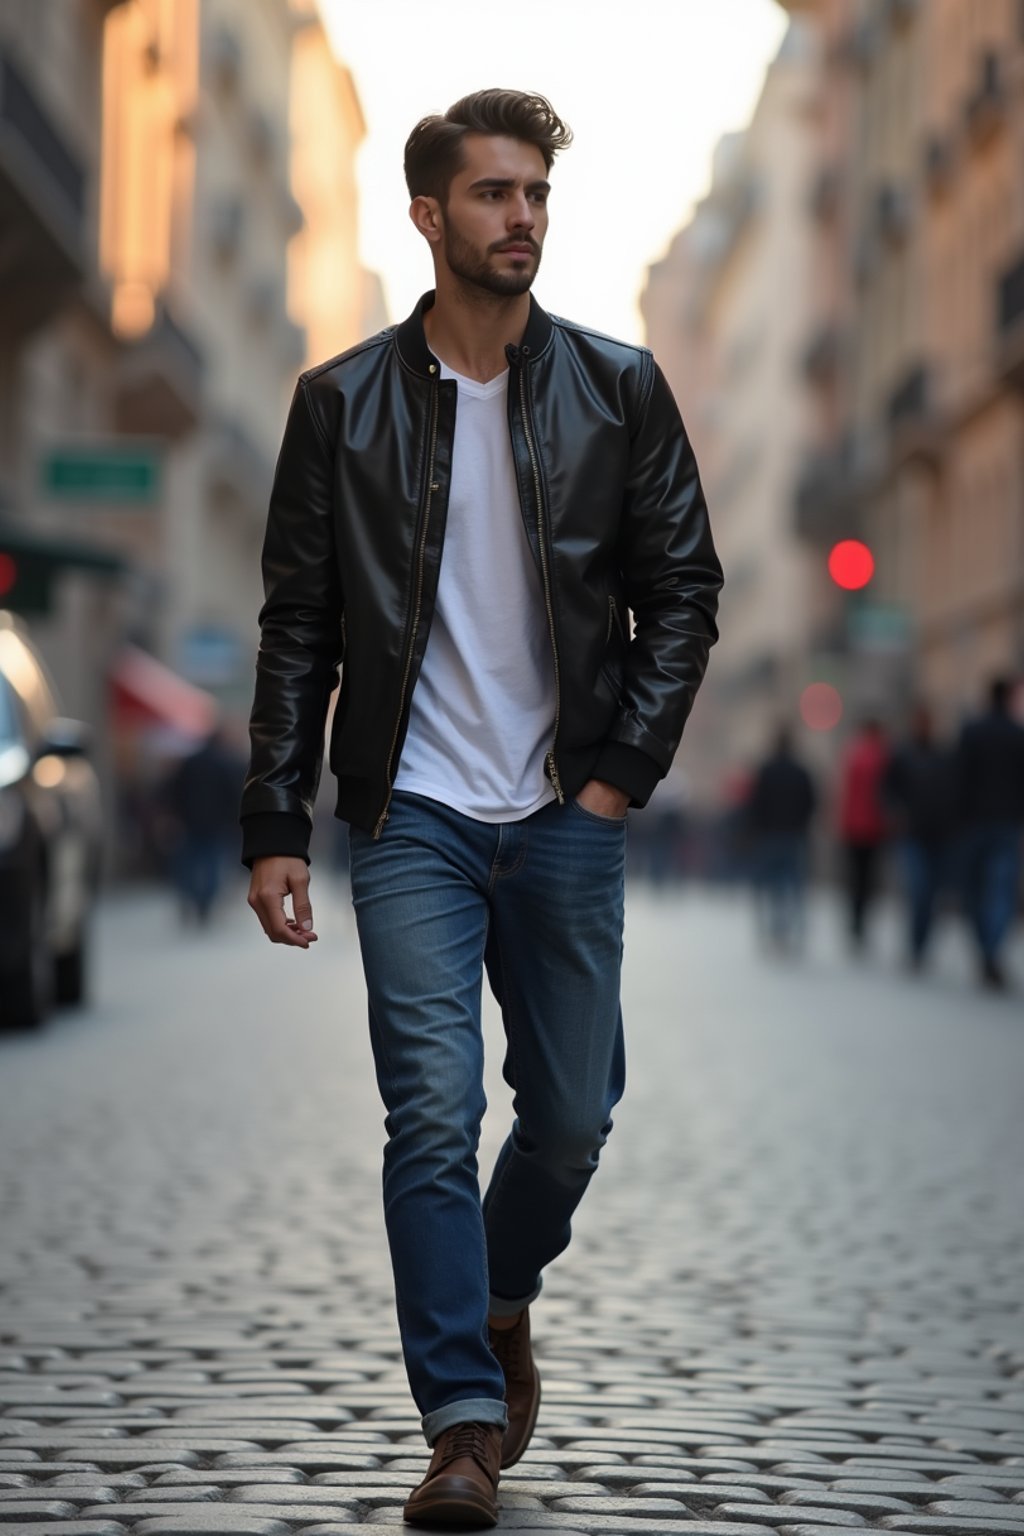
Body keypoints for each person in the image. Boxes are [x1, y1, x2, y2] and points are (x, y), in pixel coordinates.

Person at [240, 89, 722, 1529]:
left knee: (571, 1117)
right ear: (430, 216)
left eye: (534, 193)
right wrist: (278, 818)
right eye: (494, 193)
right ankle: (459, 1424)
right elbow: (299, 626)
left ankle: (502, 1294)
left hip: (566, 813)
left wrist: (615, 775)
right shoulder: (341, 405)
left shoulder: (618, 387)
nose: (521, 216)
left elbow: (684, 593)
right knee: (431, 1115)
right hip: (415, 817)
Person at [955, 675, 1024, 990]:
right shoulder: (1016, 735)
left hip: (973, 824)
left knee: (974, 891)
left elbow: (956, 778)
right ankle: (991, 951)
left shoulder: (971, 732)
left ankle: (986, 949)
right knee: (999, 891)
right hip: (1006, 824)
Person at [883, 701, 958, 971]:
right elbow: (887, 791)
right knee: (919, 890)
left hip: (938, 835)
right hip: (912, 834)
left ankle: (922, 945)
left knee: (932, 895)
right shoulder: (902, 756)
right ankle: (915, 946)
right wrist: (896, 814)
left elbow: (953, 792)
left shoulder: (943, 755)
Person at [161, 722, 243, 925]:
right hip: (216, 823)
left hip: (189, 821)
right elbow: (233, 794)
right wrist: (235, 820)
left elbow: (175, 791)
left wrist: (173, 815)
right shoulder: (225, 763)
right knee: (212, 863)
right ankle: (205, 901)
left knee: (190, 862)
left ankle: (191, 896)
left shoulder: (190, 762)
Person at [746, 725, 817, 954]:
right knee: (793, 885)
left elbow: (756, 803)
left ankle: (774, 930)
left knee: (770, 885)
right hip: (794, 834)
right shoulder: (801, 771)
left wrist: (755, 829)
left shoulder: (766, 770)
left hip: (769, 835)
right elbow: (811, 802)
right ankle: (792, 929)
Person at [836, 716, 890, 951]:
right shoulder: (883, 756)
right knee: (868, 878)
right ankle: (861, 922)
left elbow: (844, 792)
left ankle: (855, 921)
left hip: (853, 827)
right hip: (875, 828)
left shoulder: (853, 754)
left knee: (855, 878)